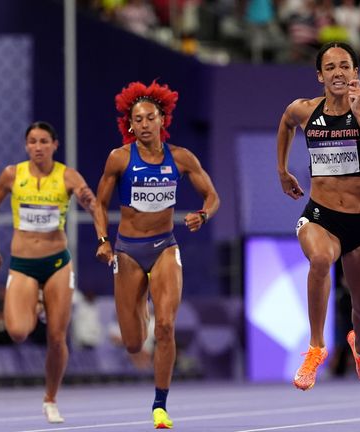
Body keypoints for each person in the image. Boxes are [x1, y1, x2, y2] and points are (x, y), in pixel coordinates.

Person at [92, 80, 219, 429]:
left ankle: (160, 405)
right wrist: (103, 239)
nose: (145, 124)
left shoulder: (181, 158)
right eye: (138, 119)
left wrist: (203, 214)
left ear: (163, 119)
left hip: (165, 247)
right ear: (129, 125)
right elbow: (99, 204)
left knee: (165, 327)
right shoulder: (119, 158)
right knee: (134, 343)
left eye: (151, 117)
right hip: (128, 252)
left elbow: (212, 196)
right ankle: (140, 307)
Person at [276, 41, 360, 391]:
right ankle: (315, 348)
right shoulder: (305, 110)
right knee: (320, 260)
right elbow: (285, 122)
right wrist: (282, 170)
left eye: (345, 66)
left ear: (355, 73)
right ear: (320, 76)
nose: (338, 72)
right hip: (321, 215)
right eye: (331, 67)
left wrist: (357, 114)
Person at [0, 121, 96, 424]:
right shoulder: (12, 175)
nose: (38, 147)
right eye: (32, 141)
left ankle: (50, 398)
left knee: (57, 337)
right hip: (23, 263)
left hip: (57, 262)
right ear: (26, 146)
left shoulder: (67, 176)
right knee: (18, 331)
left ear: (54, 145)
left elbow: (91, 203)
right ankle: (37, 301)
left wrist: (102, 235)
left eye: (44, 141)